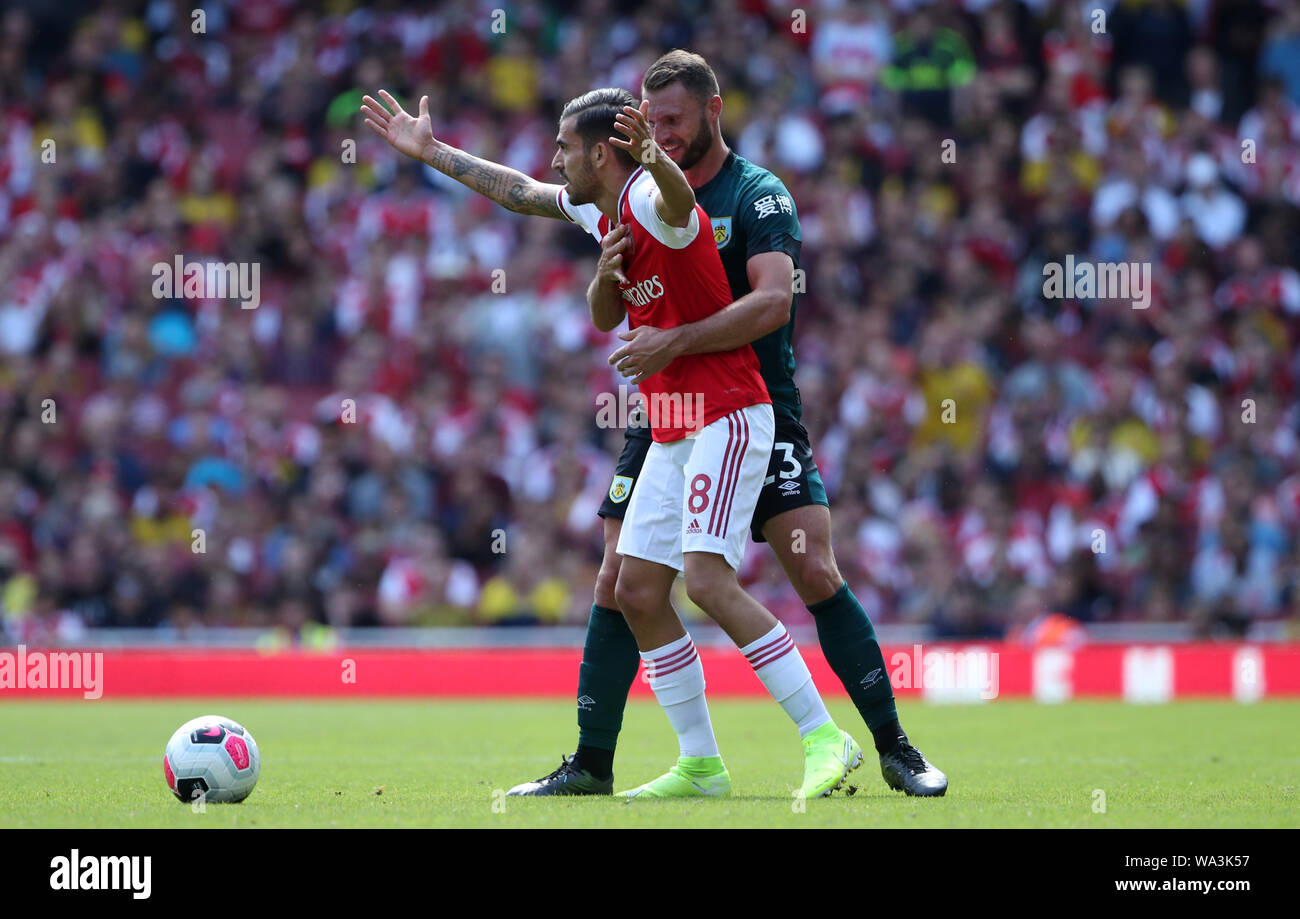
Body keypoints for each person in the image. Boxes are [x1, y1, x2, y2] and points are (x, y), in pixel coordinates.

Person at [360, 49, 947, 797]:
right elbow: (528, 195)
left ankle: (888, 745)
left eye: (672, 120)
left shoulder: (742, 196)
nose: (662, 134)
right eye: (650, 120)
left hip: (749, 400)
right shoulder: (612, 194)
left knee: (807, 568)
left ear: (714, 110)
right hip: (669, 409)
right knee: (625, 582)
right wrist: (432, 152)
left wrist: (674, 335)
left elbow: (772, 303)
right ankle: (612, 762)